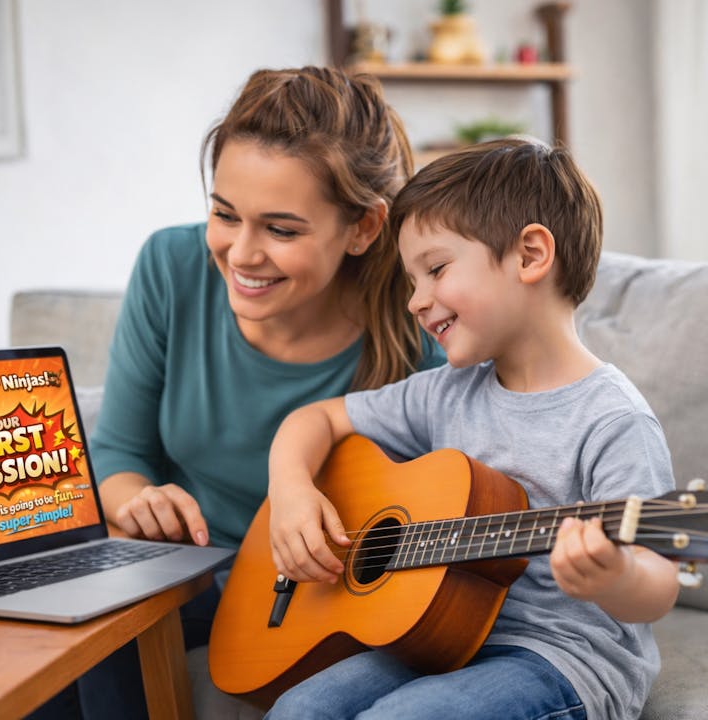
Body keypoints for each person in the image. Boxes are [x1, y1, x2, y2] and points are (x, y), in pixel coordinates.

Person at [34, 66, 444, 719]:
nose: (241, 253)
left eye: (281, 230)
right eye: (224, 215)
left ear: (364, 228)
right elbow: (115, 451)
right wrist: (140, 500)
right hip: (179, 579)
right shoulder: (171, 267)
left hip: (309, 610)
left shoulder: (421, 330)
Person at [264, 138, 680, 720]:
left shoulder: (614, 420)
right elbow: (315, 418)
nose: (415, 301)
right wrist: (291, 491)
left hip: (565, 660)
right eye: (412, 280)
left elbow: (658, 584)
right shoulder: (446, 394)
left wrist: (614, 574)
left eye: (434, 269)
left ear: (531, 255)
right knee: (298, 710)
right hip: (442, 637)